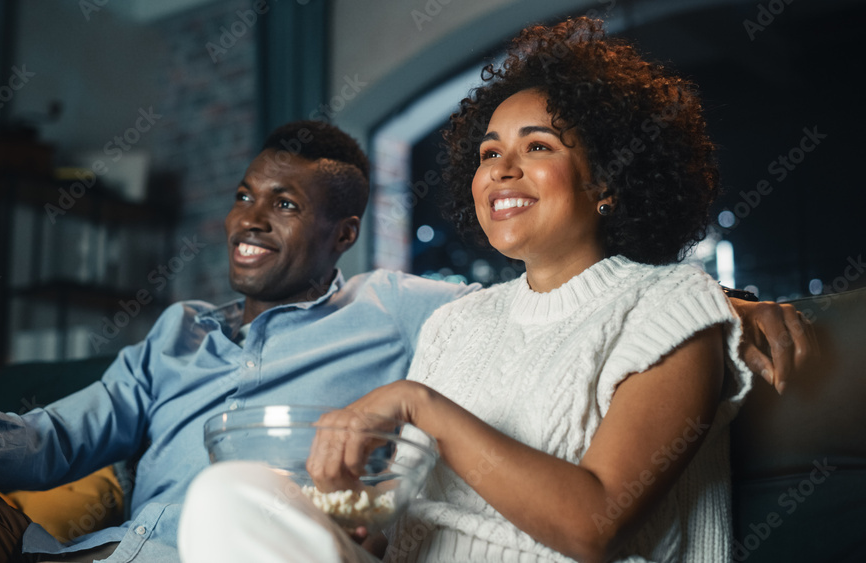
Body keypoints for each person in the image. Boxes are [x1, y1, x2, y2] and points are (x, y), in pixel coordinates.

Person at [0, 114, 805, 563]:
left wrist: (723, 298)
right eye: (244, 196)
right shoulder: (175, 335)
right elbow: (54, 439)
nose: (250, 218)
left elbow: (553, 299)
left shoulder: (395, 305)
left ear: (341, 232)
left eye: (285, 204)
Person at [178, 18, 798, 562]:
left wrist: (420, 405)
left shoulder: (672, 309)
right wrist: (356, 522)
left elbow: (595, 526)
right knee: (231, 494)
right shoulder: (458, 323)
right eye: (489, 151)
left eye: (537, 146)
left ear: (607, 178)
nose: (502, 168)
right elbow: (409, 521)